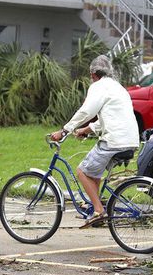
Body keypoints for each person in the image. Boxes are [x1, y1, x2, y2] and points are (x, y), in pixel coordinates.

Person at [50, 55, 139, 228]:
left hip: (114, 141)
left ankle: (99, 211)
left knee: (82, 171)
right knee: (94, 172)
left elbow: (86, 111)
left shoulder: (98, 87)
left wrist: (64, 130)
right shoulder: (117, 87)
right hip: (130, 140)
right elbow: (110, 118)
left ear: (93, 74)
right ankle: (94, 207)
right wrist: (86, 130)